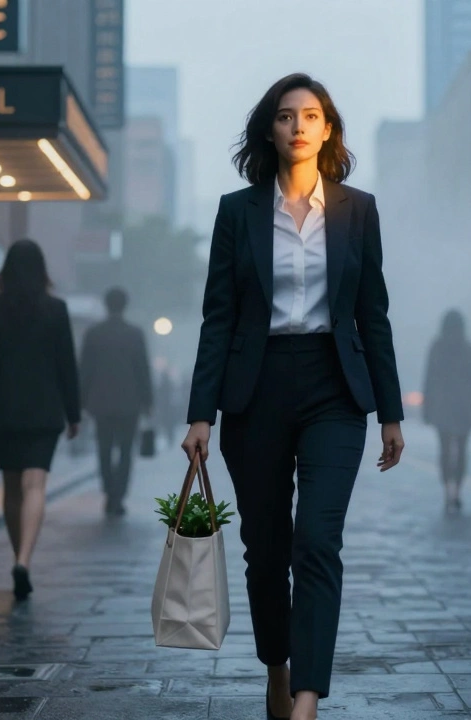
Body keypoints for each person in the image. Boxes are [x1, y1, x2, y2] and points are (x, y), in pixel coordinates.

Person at [181, 73, 405, 720]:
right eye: (285, 116)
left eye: (311, 115)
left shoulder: (358, 210)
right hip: (257, 391)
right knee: (266, 549)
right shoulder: (237, 211)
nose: (298, 125)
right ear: (270, 131)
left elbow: (373, 315)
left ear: (328, 128)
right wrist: (201, 412)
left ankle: (306, 698)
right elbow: (217, 318)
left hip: (335, 389)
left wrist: (389, 410)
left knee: (317, 541)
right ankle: (277, 667)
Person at [0, 239, 80, 601]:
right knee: (35, 485)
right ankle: (25, 562)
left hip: (3, 411)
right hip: (45, 411)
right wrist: (73, 413)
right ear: (42, 271)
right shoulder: (57, 310)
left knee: (12, 487)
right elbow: (67, 367)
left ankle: (18, 556)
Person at [79, 287, 153, 517]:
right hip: (129, 404)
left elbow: (85, 370)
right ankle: (119, 495)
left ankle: (109, 491)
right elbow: (143, 369)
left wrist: (80, 401)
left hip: (100, 404)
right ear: (125, 305)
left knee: (103, 449)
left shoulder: (93, 333)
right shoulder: (135, 334)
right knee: (125, 451)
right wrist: (147, 401)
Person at [422, 310, 471, 511]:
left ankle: (447, 490)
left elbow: (429, 379)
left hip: (443, 404)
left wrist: (427, 406)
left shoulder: (437, 348)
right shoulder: (468, 348)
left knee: (445, 449)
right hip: (465, 405)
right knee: (462, 450)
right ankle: (457, 490)